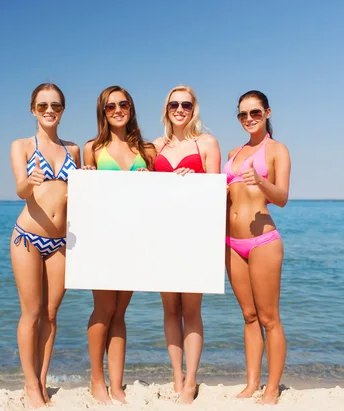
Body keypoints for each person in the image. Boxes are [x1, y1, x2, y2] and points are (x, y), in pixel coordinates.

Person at [82, 85, 156, 404]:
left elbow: (159, 196)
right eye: (110, 106)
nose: (117, 110)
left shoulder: (147, 150)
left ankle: (116, 384)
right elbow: (84, 198)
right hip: (102, 238)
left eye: (122, 104)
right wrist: (85, 177)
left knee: (120, 312)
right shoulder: (92, 149)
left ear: (131, 107)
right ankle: (96, 380)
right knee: (103, 309)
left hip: (134, 239)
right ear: (102, 111)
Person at [9, 83, 80, 408]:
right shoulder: (22, 146)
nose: (49, 111)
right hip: (27, 237)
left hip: (62, 241)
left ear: (62, 110)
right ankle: (30, 385)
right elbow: (21, 191)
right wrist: (29, 182)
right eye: (42, 106)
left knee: (51, 314)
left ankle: (42, 379)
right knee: (32, 313)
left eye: (55, 106)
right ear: (33, 110)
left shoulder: (74, 150)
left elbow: (79, 195)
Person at [152, 85, 221, 403]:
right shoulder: (155, 146)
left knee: (191, 310)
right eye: (174, 104)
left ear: (194, 109)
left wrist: (193, 181)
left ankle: (191, 380)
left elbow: (216, 190)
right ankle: (176, 377)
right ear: (166, 109)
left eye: (186, 104)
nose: (180, 109)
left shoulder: (206, 142)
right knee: (170, 310)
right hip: (164, 235)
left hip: (196, 236)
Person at [223, 90, 291, 404]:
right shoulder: (233, 152)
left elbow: (282, 198)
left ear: (267, 113)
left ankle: (273, 388)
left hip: (262, 240)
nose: (249, 119)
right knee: (248, 316)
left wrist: (260, 181)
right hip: (232, 242)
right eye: (243, 114)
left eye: (255, 113)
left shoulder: (277, 150)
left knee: (269, 318)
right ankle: (252, 383)